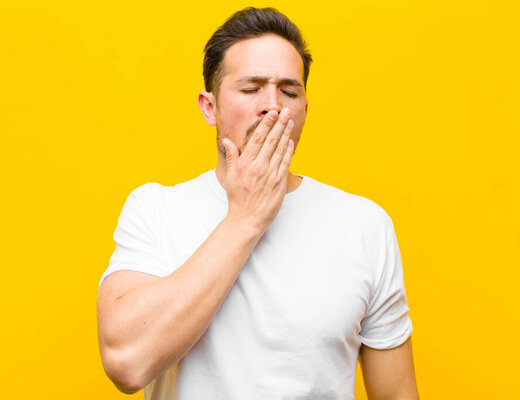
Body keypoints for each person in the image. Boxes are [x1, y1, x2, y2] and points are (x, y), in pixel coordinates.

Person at [97, 7, 419, 400]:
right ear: (209, 107)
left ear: (305, 110)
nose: (273, 106)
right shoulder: (155, 210)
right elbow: (126, 364)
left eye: (289, 91)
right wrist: (246, 218)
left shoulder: (365, 225)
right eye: (250, 89)